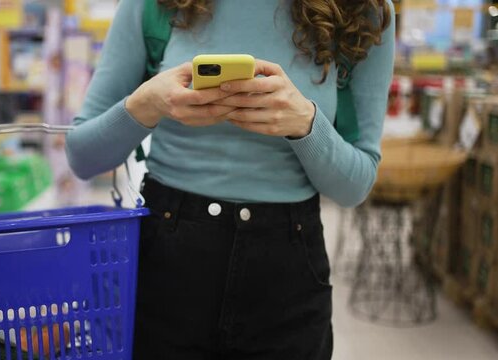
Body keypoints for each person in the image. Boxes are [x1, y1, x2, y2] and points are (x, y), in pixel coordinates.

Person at [66, 0, 395, 359]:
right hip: (166, 270)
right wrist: (147, 102)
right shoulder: (153, 6)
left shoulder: (360, 11)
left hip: (287, 278)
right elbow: (83, 156)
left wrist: (306, 124)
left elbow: (355, 185)